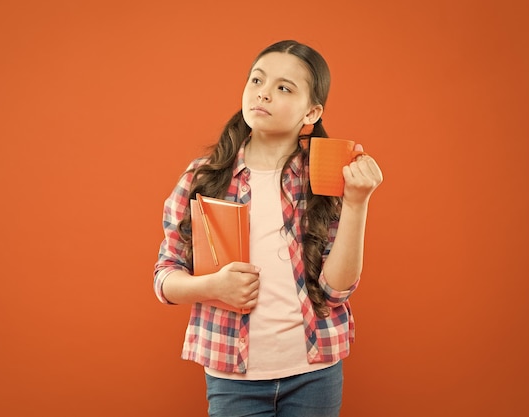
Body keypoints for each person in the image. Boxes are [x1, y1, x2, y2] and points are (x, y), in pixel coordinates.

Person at [153, 39, 383, 417]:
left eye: (283, 88)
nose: (264, 94)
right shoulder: (204, 177)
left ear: (311, 112)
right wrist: (212, 286)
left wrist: (358, 202)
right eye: (257, 81)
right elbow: (164, 277)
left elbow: (336, 290)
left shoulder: (325, 178)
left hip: (315, 372)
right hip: (231, 376)